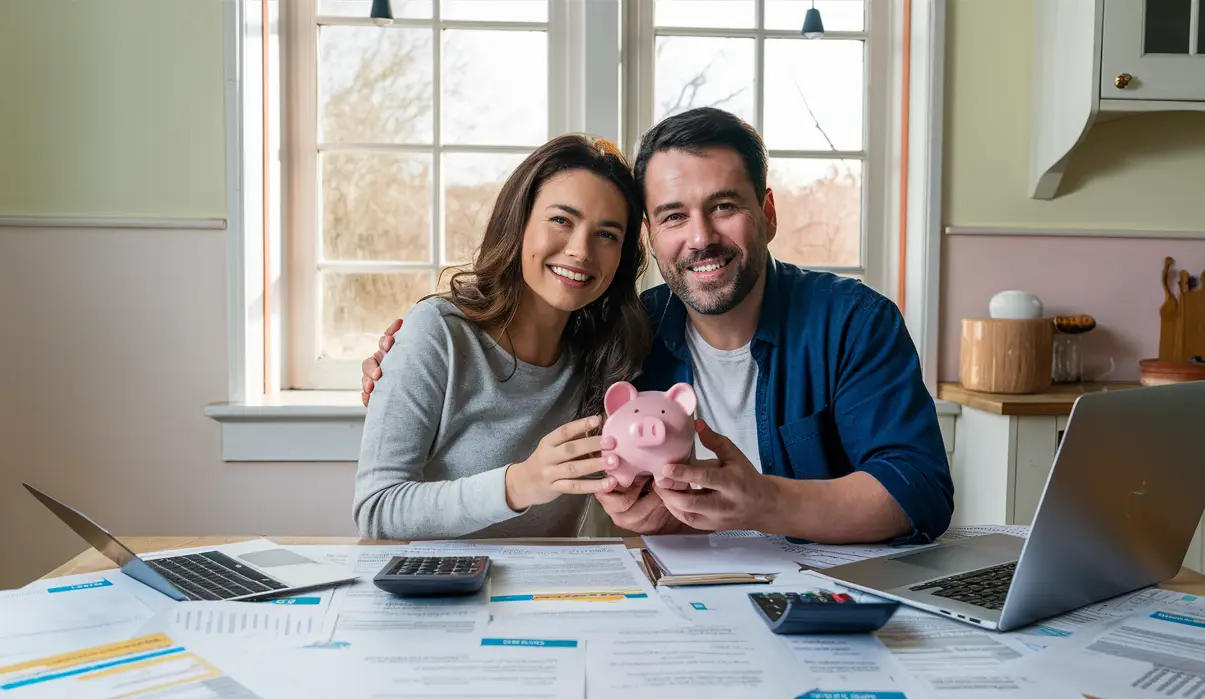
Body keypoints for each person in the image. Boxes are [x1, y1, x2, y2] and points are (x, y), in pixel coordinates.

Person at [362, 108, 953, 546]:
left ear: (766, 214)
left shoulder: (852, 322)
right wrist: (646, 515)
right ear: (653, 235)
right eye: (674, 216)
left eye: (724, 206)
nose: (700, 237)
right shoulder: (628, 340)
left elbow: (919, 489)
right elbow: (383, 500)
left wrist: (761, 502)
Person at [352, 134, 650, 540]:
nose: (581, 250)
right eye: (562, 220)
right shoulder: (437, 332)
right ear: (520, 222)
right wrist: (518, 484)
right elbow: (377, 509)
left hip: (551, 594)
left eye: (607, 235)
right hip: (438, 594)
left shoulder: (608, 356)